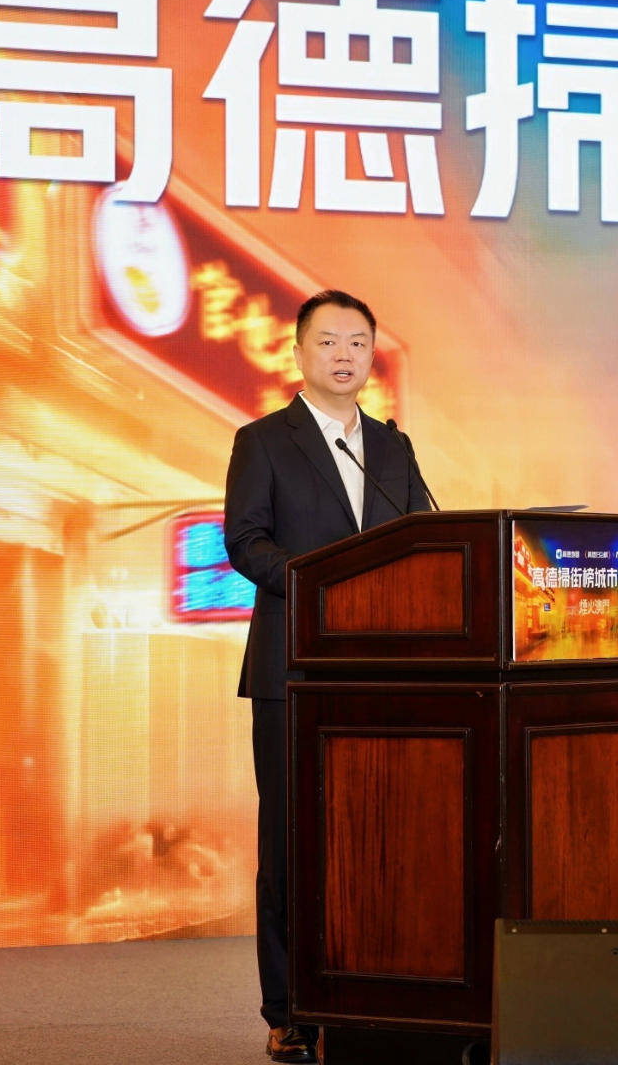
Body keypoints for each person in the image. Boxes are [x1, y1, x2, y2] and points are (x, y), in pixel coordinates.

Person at [224, 289, 433, 1064]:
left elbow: (422, 539)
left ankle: (375, 992)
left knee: (378, 838)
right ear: (298, 352)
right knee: (291, 842)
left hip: (383, 675)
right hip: (291, 672)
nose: (344, 355)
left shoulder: (393, 448)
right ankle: (290, 1009)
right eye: (328, 342)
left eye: (357, 343)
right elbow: (246, 541)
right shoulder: (262, 442)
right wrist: (322, 588)